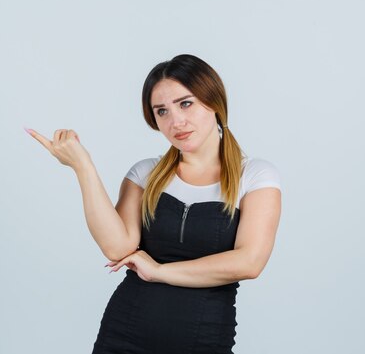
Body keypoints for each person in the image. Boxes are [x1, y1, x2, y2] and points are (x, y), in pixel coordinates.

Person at [25, 53, 282, 354]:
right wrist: (83, 166)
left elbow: (249, 262)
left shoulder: (255, 176)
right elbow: (118, 248)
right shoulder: (146, 173)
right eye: (162, 111)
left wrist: (158, 271)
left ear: (213, 102)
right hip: (123, 336)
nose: (176, 121)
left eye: (185, 103)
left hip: (203, 340)